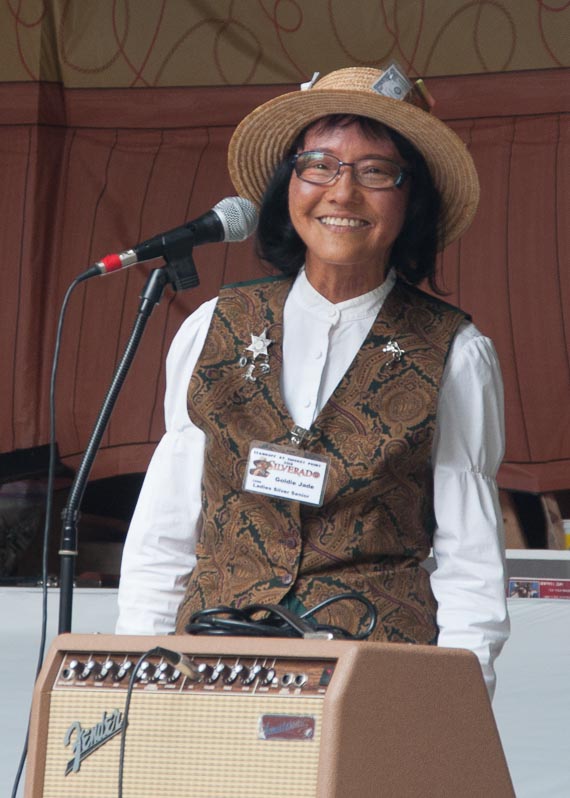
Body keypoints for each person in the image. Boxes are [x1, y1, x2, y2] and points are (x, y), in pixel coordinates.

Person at [117, 66, 509, 699]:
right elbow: (164, 535)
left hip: (374, 679)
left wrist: (454, 707)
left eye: (375, 171)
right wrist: (141, 678)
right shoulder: (213, 326)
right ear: (289, 186)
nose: (342, 193)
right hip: (211, 671)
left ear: (411, 200)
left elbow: (471, 563)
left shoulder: (455, 352)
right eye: (319, 165)